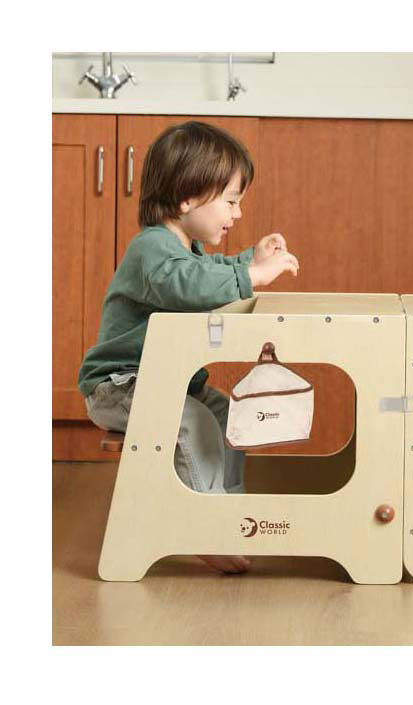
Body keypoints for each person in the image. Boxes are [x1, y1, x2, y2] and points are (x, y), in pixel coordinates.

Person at [78, 121, 299, 574]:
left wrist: (249, 261)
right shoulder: (152, 248)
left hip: (167, 385)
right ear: (188, 198)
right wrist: (252, 275)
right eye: (231, 201)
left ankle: (226, 509)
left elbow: (206, 273)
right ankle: (202, 525)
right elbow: (189, 286)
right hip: (120, 385)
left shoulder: (185, 250)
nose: (237, 213)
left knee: (227, 414)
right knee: (193, 420)